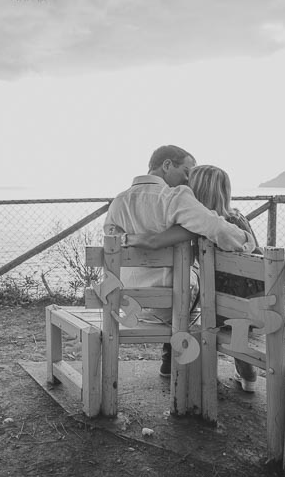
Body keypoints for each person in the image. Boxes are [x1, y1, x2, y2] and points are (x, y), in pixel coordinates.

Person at [104, 146, 256, 377]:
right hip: (169, 309)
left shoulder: (118, 200)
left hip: (126, 305)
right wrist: (247, 240)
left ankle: (169, 360)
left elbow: (111, 243)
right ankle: (190, 369)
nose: (188, 179)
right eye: (186, 171)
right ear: (167, 165)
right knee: (194, 281)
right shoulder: (175, 197)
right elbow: (219, 229)